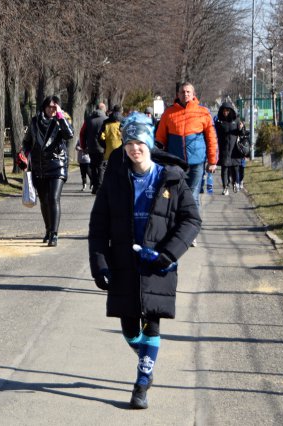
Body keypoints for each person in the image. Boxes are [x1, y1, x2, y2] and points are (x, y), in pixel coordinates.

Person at [89, 112, 201, 409]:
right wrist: (99, 265)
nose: (134, 148)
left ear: (149, 143)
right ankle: (148, 359)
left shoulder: (171, 178)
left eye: (139, 142)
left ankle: (141, 382)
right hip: (123, 263)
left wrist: (167, 254)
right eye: (129, 143)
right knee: (128, 328)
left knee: (152, 323)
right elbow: (98, 225)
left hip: (157, 264)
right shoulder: (114, 178)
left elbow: (191, 220)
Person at [17, 95, 74, 247]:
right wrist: (26, 154)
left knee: (53, 198)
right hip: (39, 166)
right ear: (44, 107)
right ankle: (48, 229)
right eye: (49, 106)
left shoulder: (62, 120)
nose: (51, 109)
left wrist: (60, 116)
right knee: (44, 200)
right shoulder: (35, 122)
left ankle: (54, 234)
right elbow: (27, 141)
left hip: (58, 164)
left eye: (55, 107)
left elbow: (69, 135)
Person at [155, 82, 217, 209]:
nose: (185, 94)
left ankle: (193, 226)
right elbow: (160, 140)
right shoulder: (168, 113)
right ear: (178, 94)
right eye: (182, 92)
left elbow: (212, 138)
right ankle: (179, 225)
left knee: (192, 197)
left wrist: (212, 161)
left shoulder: (203, 113)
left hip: (196, 163)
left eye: (188, 92)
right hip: (175, 164)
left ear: (193, 94)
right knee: (176, 197)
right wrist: (158, 161)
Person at [214, 102, 245, 195]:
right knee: (225, 168)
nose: (225, 112)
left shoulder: (236, 120)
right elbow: (215, 133)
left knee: (235, 168)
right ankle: (225, 187)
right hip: (223, 149)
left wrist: (241, 129)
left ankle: (235, 183)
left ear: (231, 111)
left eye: (227, 110)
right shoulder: (219, 122)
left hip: (234, 149)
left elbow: (242, 134)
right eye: (224, 110)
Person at [79, 103, 108, 193]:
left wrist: (83, 146)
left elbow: (82, 133)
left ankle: (95, 186)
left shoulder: (88, 120)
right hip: (103, 147)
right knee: (101, 167)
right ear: (104, 109)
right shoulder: (106, 120)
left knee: (93, 166)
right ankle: (100, 187)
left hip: (91, 147)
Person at [99, 104, 124, 186]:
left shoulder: (106, 122)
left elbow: (100, 137)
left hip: (108, 151)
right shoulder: (123, 122)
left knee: (105, 168)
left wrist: (105, 146)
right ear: (121, 111)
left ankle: (104, 185)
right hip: (121, 151)